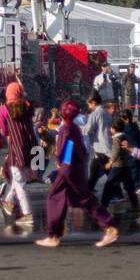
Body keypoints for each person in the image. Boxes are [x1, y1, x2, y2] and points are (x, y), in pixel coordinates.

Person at [36, 101, 119, 249]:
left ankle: (55, 234)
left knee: (58, 198)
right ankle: (55, 234)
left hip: (68, 169)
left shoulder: (66, 128)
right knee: (77, 199)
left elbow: (67, 149)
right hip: (74, 167)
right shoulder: (73, 128)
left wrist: (63, 165)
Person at [0, 83, 36, 224]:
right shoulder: (28, 107)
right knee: (21, 178)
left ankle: (27, 214)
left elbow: (4, 131)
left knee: (20, 182)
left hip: (16, 149)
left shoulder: (4, 110)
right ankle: (9, 201)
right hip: (31, 146)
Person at [101, 117, 139, 212]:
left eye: (111, 128)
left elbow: (116, 152)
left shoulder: (116, 139)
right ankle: (135, 202)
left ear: (114, 128)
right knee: (129, 186)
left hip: (117, 166)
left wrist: (110, 162)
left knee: (109, 185)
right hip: (125, 165)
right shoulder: (125, 136)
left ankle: (103, 204)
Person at [81, 92, 113, 191]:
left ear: (93, 102)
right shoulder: (106, 112)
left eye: (89, 104)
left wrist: (75, 128)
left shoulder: (95, 113)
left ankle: (117, 193)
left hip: (101, 147)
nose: (89, 107)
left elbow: (87, 129)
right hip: (105, 145)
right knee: (95, 169)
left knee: (104, 171)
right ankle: (89, 189)